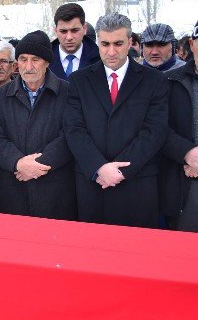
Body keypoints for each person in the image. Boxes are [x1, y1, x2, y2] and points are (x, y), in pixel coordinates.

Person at [64, 13, 169, 228]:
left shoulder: (155, 80)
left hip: (137, 184)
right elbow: (74, 129)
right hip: (93, 185)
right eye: (105, 44)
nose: (111, 51)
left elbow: (154, 131)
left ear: (130, 42)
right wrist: (99, 167)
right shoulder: (79, 81)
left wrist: (120, 171)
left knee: (137, 255)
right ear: (97, 43)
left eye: (118, 43)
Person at [0, 31, 75, 220]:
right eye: (23, 59)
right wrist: (18, 163)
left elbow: (70, 136)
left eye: (35, 59)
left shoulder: (68, 92)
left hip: (55, 189)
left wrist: (38, 165)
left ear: (47, 62)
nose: (28, 66)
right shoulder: (0, 96)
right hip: (12, 188)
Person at [160, 19, 198, 231]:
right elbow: (157, 128)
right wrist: (187, 153)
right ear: (192, 45)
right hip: (184, 183)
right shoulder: (169, 82)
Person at [49, 3, 100, 81]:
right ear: (56, 31)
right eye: (63, 31)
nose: (69, 37)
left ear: (85, 28)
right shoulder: (44, 60)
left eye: (74, 31)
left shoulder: (101, 59)